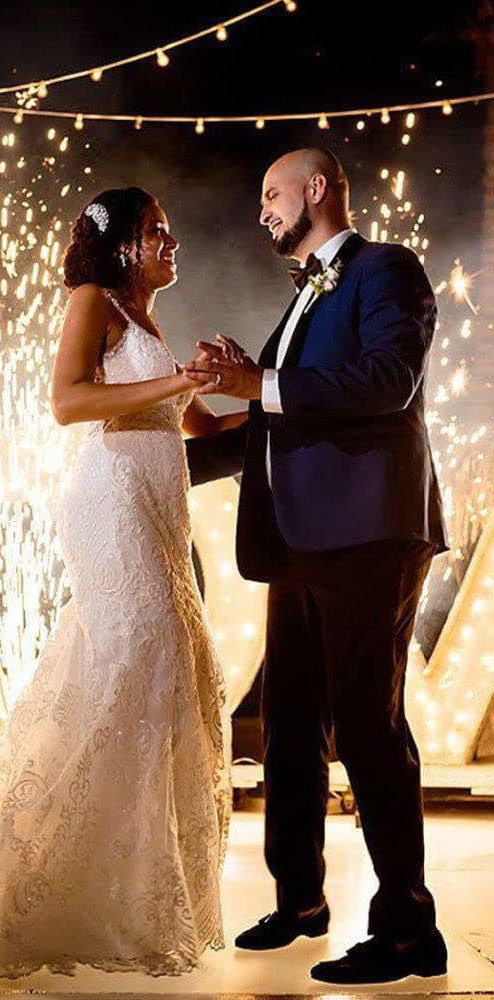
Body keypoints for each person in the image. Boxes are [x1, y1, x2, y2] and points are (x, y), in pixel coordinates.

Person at [0, 186, 247, 978]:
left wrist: (268, 396)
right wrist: (178, 381)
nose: (171, 241)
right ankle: (34, 884)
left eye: (170, 229)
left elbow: (206, 427)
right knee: (133, 668)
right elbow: (68, 401)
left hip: (159, 513)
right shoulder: (94, 300)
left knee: (160, 679)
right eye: (157, 230)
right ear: (121, 246)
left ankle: (116, 889)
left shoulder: (149, 323)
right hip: (111, 507)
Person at [184, 148, 448, 986]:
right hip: (299, 540)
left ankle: (408, 932)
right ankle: (299, 900)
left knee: (368, 723)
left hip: (370, 532)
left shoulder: (386, 269)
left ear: (318, 189)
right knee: (290, 727)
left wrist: (256, 381)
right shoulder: (305, 293)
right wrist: (185, 427)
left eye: (272, 193)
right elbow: (280, 414)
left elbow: (387, 381)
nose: (262, 209)